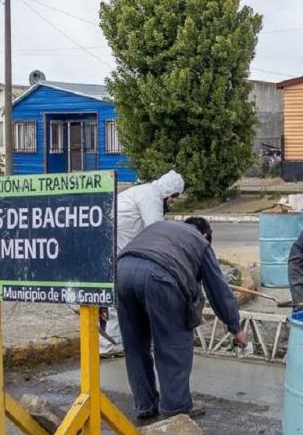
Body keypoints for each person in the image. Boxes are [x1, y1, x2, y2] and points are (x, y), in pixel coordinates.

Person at [116, 217, 247, 420]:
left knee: (135, 346)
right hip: (160, 277)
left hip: (121, 272)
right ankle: (175, 408)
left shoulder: (159, 226)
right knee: (172, 346)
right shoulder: (200, 242)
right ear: (206, 234)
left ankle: (145, 405)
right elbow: (218, 290)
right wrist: (235, 327)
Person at [101, 170, 185, 356]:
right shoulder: (152, 197)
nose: (172, 202)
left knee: (118, 296)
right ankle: (111, 344)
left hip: (113, 245)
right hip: (118, 249)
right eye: (173, 198)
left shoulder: (141, 191)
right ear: (168, 193)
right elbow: (156, 232)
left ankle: (112, 342)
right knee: (121, 295)